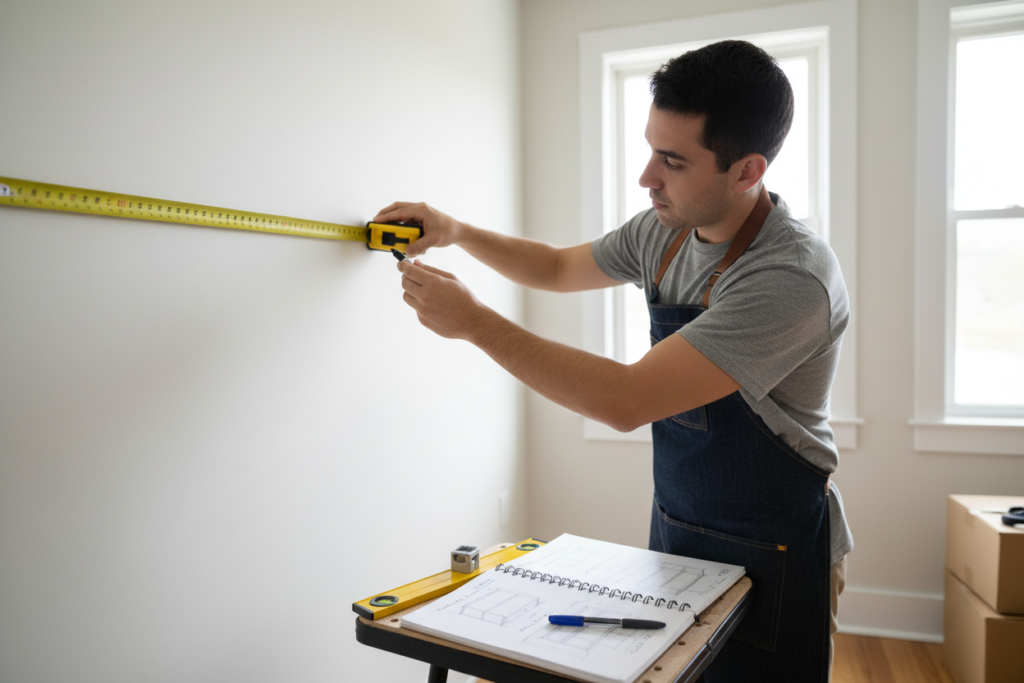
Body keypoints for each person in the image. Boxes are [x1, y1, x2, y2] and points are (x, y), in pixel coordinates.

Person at [375, 39, 852, 682]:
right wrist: (456, 230)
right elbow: (554, 266)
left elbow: (624, 402)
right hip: (680, 522)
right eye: (652, 149)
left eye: (673, 161)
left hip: (778, 542)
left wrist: (475, 325)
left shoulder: (790, 277)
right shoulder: (666, 227)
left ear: (746, 171)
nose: (647, 177)